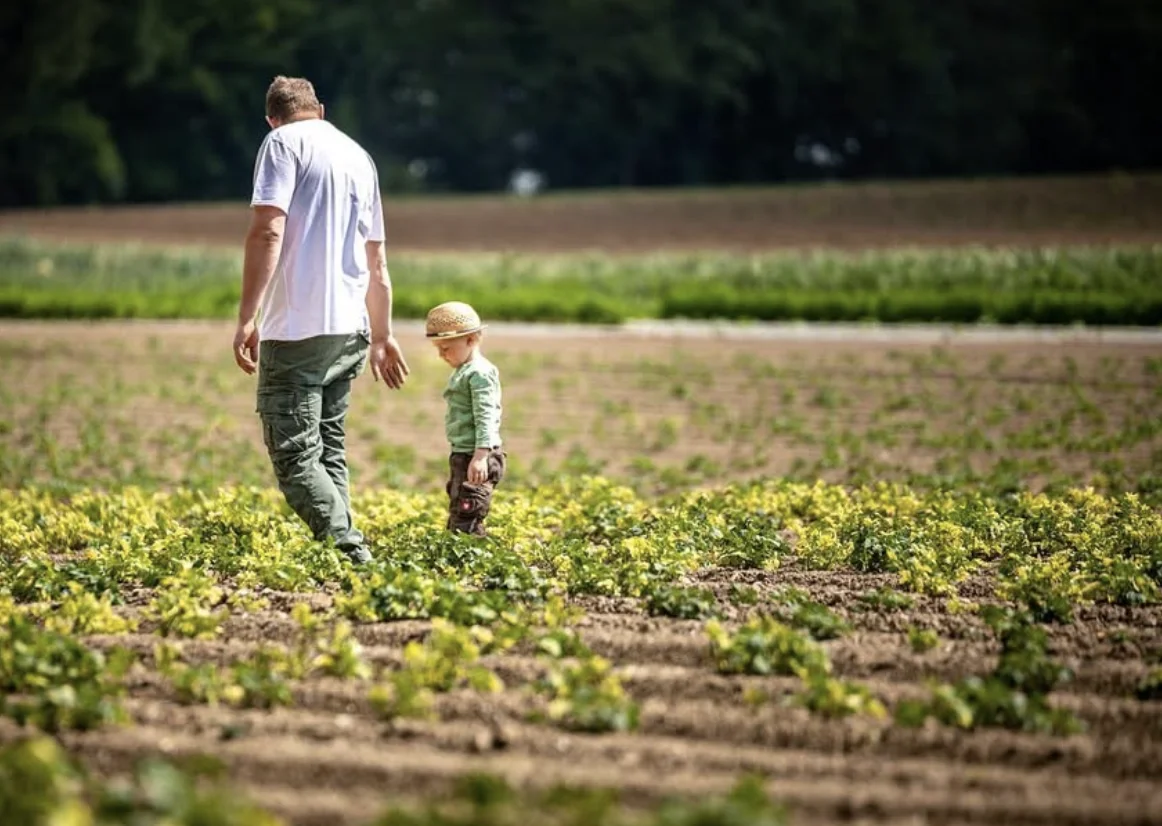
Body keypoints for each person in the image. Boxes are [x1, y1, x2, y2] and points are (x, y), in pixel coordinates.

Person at [232, 75, 409, 564]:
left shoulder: (281, 144)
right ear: (321, 110)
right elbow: (378, 261)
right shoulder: (358, 155)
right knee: (327, 448)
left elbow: (268, 230)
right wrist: (383, 334)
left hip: (297, 328)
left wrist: (249, 316)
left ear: (272, 117)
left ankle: (354, 556)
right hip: (350, 328)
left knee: (294, 456)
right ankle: (346, 558)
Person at [426, 302, 505, 536]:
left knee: (468, 514)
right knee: (458, 507)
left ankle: (471, 561)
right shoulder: (464, 370)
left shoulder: (479, 373)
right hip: (463, 453)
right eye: (438, 349)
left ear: (471, 339)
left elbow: (486, 415)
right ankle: (455, 555)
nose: (441, 355)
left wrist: (481, 455)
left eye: (446, 348)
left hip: (476, 454)